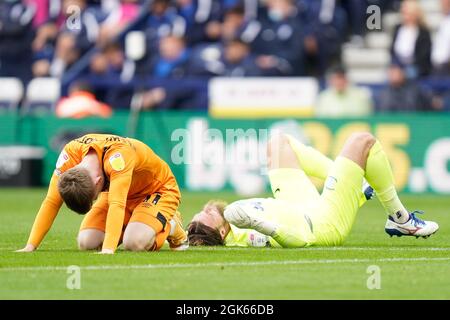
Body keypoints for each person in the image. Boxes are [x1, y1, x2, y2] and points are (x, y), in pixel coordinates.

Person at [187, 132, 439, 247]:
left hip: (296, 206)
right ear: (221, 231)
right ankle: (401, 219)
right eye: (206, 215)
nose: (206, 207)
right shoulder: (245, 233)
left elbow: (174, 238)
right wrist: (259, 224)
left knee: (278, 143)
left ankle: (356, 185)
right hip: (319, 224)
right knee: (362, 141)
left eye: (198, 212)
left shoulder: (233, 217)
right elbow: (301, 240)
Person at [17, 134, 188, 254]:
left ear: (98, 181)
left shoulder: (118, 158)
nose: (95, 198)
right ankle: (140, 223)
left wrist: (108, 249)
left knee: (134, 243)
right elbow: (51, 202)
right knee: (86, 242)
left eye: (94, 197)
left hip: (155, 190)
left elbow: (117, 204)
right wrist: (31, 245)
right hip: (119, 191)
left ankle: (172, 225)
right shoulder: (69, 156)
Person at [390, 0, 432, 78]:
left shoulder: (423, 32)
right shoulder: (398, 28)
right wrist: (396, 67)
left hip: (416, 67)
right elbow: (392, 51)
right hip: (398, 66)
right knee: (392, 74)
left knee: (409, 73)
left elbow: (423, 56)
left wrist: (405, 70)